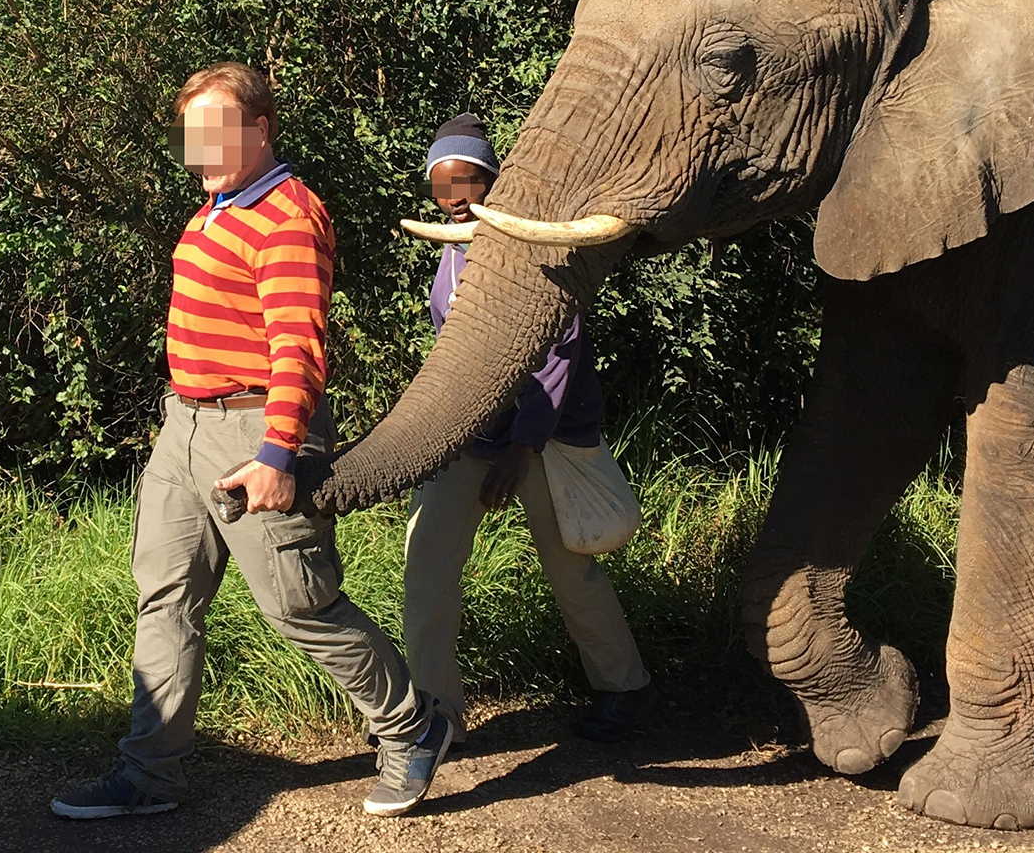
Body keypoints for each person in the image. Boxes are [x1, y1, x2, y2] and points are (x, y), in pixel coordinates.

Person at [50, 62, 453, 821]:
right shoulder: (217, 207)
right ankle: (149, 775)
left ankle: (413, 725)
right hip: (187, 424)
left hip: (256, 425)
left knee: (298, 602)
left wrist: (276, 454)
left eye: (216, 133)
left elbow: (297, 346)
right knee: (165, 596)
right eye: (190, 136)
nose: (199, 150)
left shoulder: (287, 214)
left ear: (260, 130)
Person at [403, 113, 655, 746]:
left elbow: (557, 353)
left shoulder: (534, 250)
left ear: (495, 185)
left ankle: (625, 691)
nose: (454, 199)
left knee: (572, 570)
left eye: (467, 183)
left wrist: (522, 448)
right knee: (427, 568)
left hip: (541, 442)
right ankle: (436, 717)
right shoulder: (452, 253)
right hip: (468, 437)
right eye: (441, 186)